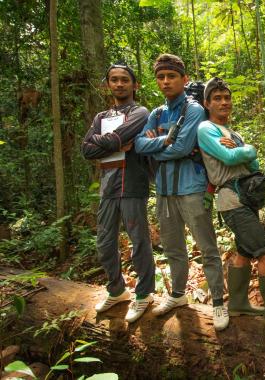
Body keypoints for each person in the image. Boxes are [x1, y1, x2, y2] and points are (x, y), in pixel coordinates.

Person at [197, 77, 265, 332]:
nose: (224, 102)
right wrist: (247, 149)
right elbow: (232, 158)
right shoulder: (206, 129)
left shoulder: (233, 133)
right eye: (217, 98)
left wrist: (243, 149)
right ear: (207, 103)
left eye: (226, 97)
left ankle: (239, 303)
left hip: (246, 197)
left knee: (244, 250)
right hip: (231, 200)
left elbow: (252, 165)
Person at [134, 54, 228, 330]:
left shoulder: (194, 110)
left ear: (183, 79)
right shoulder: (157, 114)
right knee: (173, 248)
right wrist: (167, 140)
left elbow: (183, 148)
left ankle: (219, 302)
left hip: (192, 188)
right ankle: (177, 294)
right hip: (164, 191)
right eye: (161, 77)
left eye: (171, 76)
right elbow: (140, 145)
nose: (165, 81)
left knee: (207, 247)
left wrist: (160, 145)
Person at [81, 63, 155, 323]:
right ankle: (117, 290)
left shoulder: (141, 112)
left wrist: (106, 142)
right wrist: (114, 142)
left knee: (139, 242)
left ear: (134, 85)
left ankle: (144, 294)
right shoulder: (101, 117)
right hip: (108, 187)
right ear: (108, 84)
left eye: (125, 79)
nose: (119, 84)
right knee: (104, 243)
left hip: (133, 184)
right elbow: (86, 149)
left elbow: (101, 144)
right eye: (114, 80)